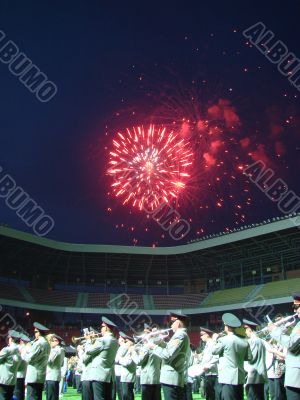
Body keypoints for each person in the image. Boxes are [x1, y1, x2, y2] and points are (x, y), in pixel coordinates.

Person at [146, 311, 190, 400]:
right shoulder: (180, 335)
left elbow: (168, 355)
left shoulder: (180, 335)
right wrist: (160, 342)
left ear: (178, 323)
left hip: (172, 378)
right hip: (171, 378)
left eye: (172, 323)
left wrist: (153, 347)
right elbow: (170, 351)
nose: (170, 326)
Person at [212, 313, 252, 400]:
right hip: (240, 377)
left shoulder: (223, 340)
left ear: (226, 326)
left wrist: (214, 340)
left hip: (227, 377)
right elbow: (248, 357)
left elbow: (214, 351)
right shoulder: (244, 340)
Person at [268, 294, 300, 400]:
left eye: (296, 307)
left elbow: (291, 344)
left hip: (296, 376)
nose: (295, 311)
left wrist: (274, 330)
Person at [83, 317, 118, 400]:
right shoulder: (114, 340)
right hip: (108, 375)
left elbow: (88, 351)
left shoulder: (102, 340)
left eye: (101, 327)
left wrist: (88, 341)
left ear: (106, 327)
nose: (100, 329)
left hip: (98, 374)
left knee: (98, 397)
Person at [131, 324, 161, 400]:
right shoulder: (157, 345)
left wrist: (133, 352)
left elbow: (139, 362)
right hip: (156, 378)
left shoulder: (146, 346)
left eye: (145, 333)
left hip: (147, 379)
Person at [23, 322, 51, 400]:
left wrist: (26, 350)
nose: (35, 334)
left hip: (33, 374)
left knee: (31, 396)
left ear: (38, 333)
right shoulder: (47, 344)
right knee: (38, 396)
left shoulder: (38, 343)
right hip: (41, 374)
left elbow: (29, 359)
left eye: (35, 332)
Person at [243, 319, 268, 400]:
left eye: (245, 330)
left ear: (249, 329)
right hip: (259, 374)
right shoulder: (260, 340)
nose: (245, 332)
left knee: (253, 396)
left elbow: (251, 358)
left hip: (254, 374)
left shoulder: (252, 341)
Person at [198, 327, 219, 400]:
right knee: (209, 395)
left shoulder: (212, 344)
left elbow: (216, 357)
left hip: (213, 374)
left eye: (202, 335)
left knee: (212, 395)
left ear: (207, 334)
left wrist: (208, 366)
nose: (201, 337)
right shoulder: (207, 345)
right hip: (208, 373)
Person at [0, 330, 21, 400]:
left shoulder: (7, 350)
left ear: (11, 339)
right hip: (12, 381)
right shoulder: (18, 351)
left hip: (3, 380)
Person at [45, 334, 64, 400]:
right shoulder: (56, 349)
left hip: (52, 376)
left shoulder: (57, 349)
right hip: (50, 376)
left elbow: (49, 361)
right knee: (50, 396)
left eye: (52, 341)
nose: (50, 342)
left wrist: (46, 351)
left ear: (57, 342)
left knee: (51, 397)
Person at [118, 333, 136, 400]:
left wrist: (120, 359)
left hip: (128, 376)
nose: (125, 343)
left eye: (126, 341)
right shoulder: (126, 349)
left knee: (127, 395)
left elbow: (127, 362)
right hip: (125, 376)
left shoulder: (132, 349)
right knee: (126, 395)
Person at [14, 333, 31, 400]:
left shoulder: (22, 349)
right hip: (24, 373)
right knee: (21, 393)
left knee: (17, 393)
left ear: (21, 341)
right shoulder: (27, 348)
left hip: (18, 373)